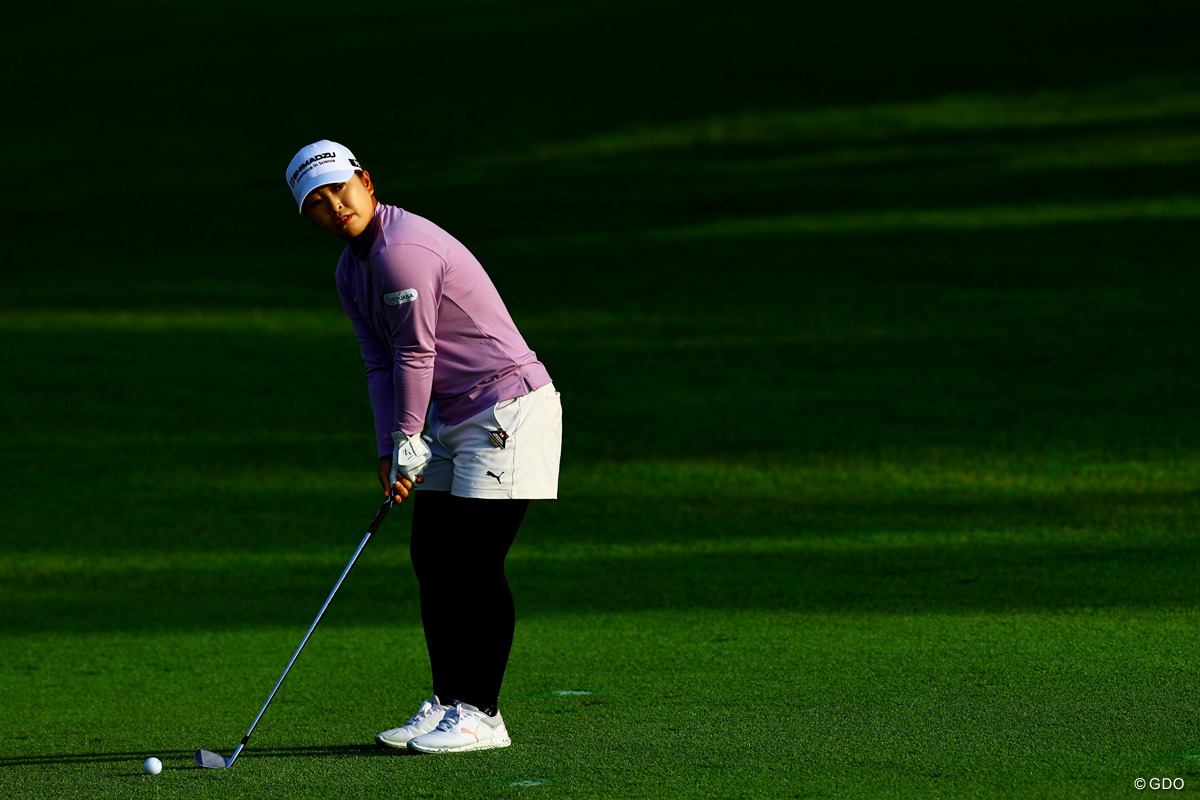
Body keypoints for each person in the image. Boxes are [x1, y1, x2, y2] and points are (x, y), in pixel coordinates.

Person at [284, 140, 562, 754]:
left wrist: (410, 437)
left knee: (474, 560)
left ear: (367, 182)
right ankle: (446, 703)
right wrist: (391, 449)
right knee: (432, 556)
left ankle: (482, 715)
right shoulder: (350, 270)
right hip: (448, 414)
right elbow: (378, 363)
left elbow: (416, 353)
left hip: (507, 408)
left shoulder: (403, 253)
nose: (335, 207)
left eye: (340, 190)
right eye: (317, 203)